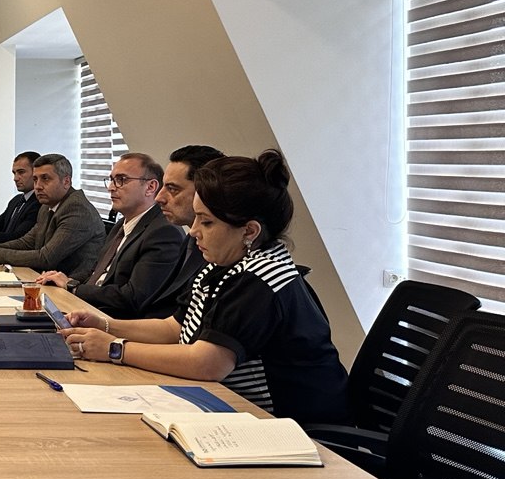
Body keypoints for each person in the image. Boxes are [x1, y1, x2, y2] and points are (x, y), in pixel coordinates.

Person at [57, 150, 348, 425]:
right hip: (230, 403)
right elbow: (175, 328)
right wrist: (106, 325)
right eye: (196, 217)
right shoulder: (223, 264)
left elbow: (209, 363)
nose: (194, 231)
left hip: (285, 424)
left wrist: (115, 349)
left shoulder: (258, 277)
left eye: (206, 222)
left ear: (249, 231)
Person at [36, 153, 183, 319]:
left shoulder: (163, 232)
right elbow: (95, 272)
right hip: (87, 308)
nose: (111, 187)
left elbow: (133, 297)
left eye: (121, 180)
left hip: (114, 322)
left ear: (150, 187)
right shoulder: (121, 225)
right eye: (112, 180)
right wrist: (61, 280)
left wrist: (72, 287)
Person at [0, 153, 103, 276]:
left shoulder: (77, 209)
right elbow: (27, 242)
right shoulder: (47, 206)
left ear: (66, 181)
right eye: (35, 179)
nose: (38, 186)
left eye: (45, 179)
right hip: (44, 278)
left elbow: (46, 258)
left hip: (71, 288)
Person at [137, 144, 226, 318]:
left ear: (205, 190)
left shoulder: (220, 255)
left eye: (172, 189)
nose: (159, 198)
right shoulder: (190, 240)